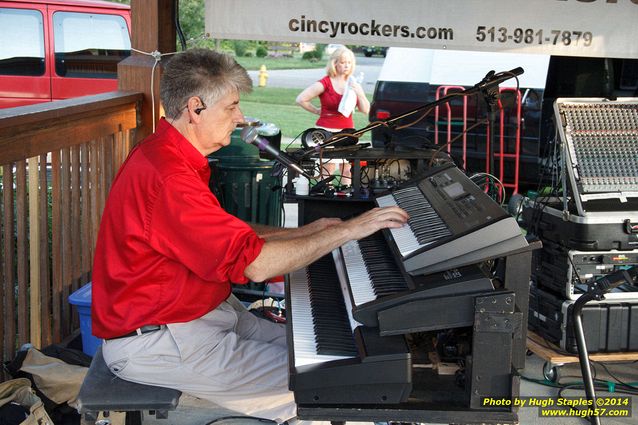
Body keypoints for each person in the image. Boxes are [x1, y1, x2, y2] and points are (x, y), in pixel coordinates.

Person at [91, 48, 408, 425]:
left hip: (201, 315)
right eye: (231, 107)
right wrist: (352, 230)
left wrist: (308, 232)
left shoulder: (170, 155)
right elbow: (255, 265)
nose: (240, 118)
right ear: (195, 108)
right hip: (160, 339)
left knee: (332, 357)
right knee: (333, 388)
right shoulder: (169, 176)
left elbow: (227, 232)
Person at [296, 46, 370, 179]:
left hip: (347, 132)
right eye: (343, 62)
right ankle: (324, 194)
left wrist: (360, 92)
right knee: (327, 169)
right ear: (334, 63)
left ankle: (346, 195)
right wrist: (317, 111)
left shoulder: (353, 83)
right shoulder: (325, 83)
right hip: (325, 131)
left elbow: (366, 110)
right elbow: (301, 99)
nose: (346, 66)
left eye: (349, 62)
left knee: (347, 170)